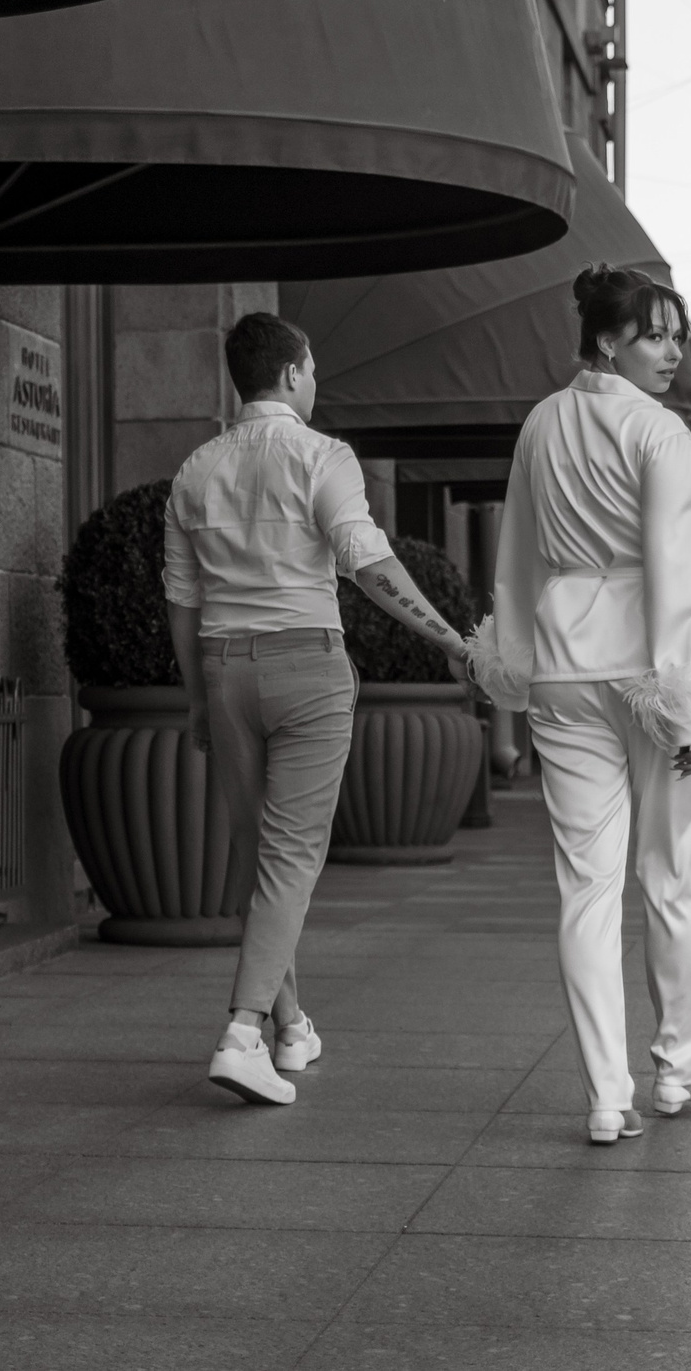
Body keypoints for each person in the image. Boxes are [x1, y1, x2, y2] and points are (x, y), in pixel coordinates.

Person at [472, 267, 691, 1145]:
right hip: (648, 668)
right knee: (671, 875)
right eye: (655, 335)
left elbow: (516, 559)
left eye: (678, 336)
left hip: (563, 666)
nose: (674, 353)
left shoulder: (540, 422)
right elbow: (675, 576)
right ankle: (675, 1071)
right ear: (608, 340)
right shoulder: (662, 432)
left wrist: (514, 659)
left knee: (586, 888)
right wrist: (689, 703)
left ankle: (607, 1094)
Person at [165, 313, 472, 1106]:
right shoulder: (323, 455)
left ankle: (292, 1027)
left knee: (258, 855)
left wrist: (197, 698)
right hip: (308, 668)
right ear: (294, 372)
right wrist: (450, 638)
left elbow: (182, 600)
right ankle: (242, 1034)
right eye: (313, 370)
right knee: (291, 857)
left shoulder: (195, 469)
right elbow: (367, 559)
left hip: (224, 669)